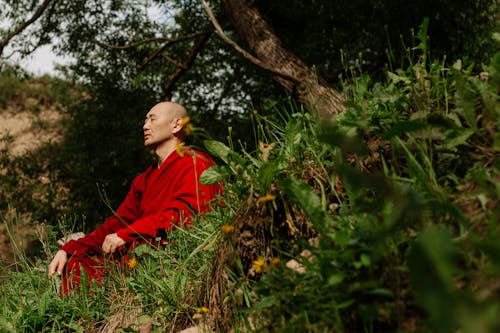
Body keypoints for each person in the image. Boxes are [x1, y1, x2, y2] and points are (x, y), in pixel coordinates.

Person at [48, 101, 222, 295]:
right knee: (74, 265)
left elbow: (185, 215)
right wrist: (71, 249)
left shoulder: (196, 163)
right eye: (145, 120)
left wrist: (128, 234)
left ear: (176, 124)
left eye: (152, 119)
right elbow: (116, 224)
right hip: (136, 255)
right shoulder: (144, 180)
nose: (145, 126)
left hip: (173, 258)